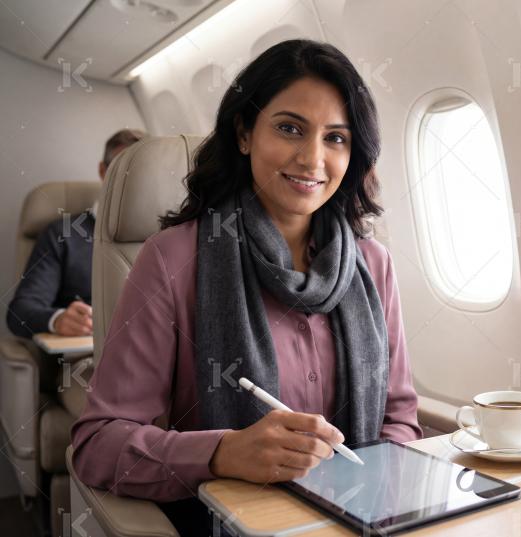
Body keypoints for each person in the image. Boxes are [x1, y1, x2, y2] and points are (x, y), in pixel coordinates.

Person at [70, 39, 422, 535]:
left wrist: (385, 500)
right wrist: (222, 453)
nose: (312, 158)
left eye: (336, 138)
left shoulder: (373, 265)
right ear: (243, 133)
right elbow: (98, 445)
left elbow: (399, 419)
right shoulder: (173, 259)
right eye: (289, 128)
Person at [6, 129, 146, 338]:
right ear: (103, 171)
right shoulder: (62, 234)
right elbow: (20, 312)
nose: (132, 180)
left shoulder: (169, 235)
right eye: (122, 170)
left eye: (142, 170)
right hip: (87, 351)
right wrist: (58, 320)